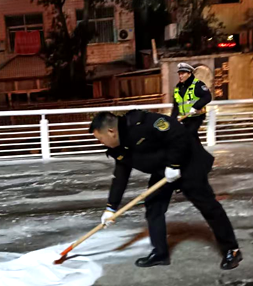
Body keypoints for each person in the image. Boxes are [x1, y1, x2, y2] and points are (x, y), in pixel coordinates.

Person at [89, 110, 242, 270]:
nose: (101, 142)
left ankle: (232, 250)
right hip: (162, 171)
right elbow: (120, 176)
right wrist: (111, 207)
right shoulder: (119, 147)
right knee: (154, 206)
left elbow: (179, 134)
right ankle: (160, 254)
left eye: (100, 138)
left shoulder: (142, 122)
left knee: (208, 206)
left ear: (111, 131)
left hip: (187, 164)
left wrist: (174, 164)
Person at [171, 63, 211, 144]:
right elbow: (176, 106)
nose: (180, 76)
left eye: (183, 74)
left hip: (197, 116)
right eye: (179, 74)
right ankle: (198, 151)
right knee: (191, 136)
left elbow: (207, 97)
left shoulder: (198, 84)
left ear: (189, 74)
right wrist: (172, 120)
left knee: (189, 133)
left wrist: (195, 107)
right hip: (185, 117)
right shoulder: (178, 88)